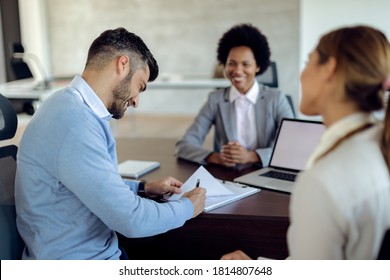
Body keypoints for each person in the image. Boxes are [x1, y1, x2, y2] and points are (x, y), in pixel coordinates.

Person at [14, 27, 206, 260]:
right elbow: (132, 220)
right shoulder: (74, 122)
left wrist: (143, 188)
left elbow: (89, 183)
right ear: (123, 64)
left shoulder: (69, 106)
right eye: (140, 86)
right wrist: (187, 207)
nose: (136, 100)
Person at [221, 25, 390, 260]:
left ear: (329, 69)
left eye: (308, 62)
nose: (302, 74)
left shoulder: (322, 180)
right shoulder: (378, 146)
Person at [175, 24, 293, 167]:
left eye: (245, 64)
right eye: (232, 63)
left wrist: (252, 156)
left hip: (264, 172)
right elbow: (184, 144)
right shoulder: (215, 99)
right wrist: (215, 157)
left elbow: (292, 144)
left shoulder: (276, 99)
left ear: (258, 66)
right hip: (227, 175)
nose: (237, 70)